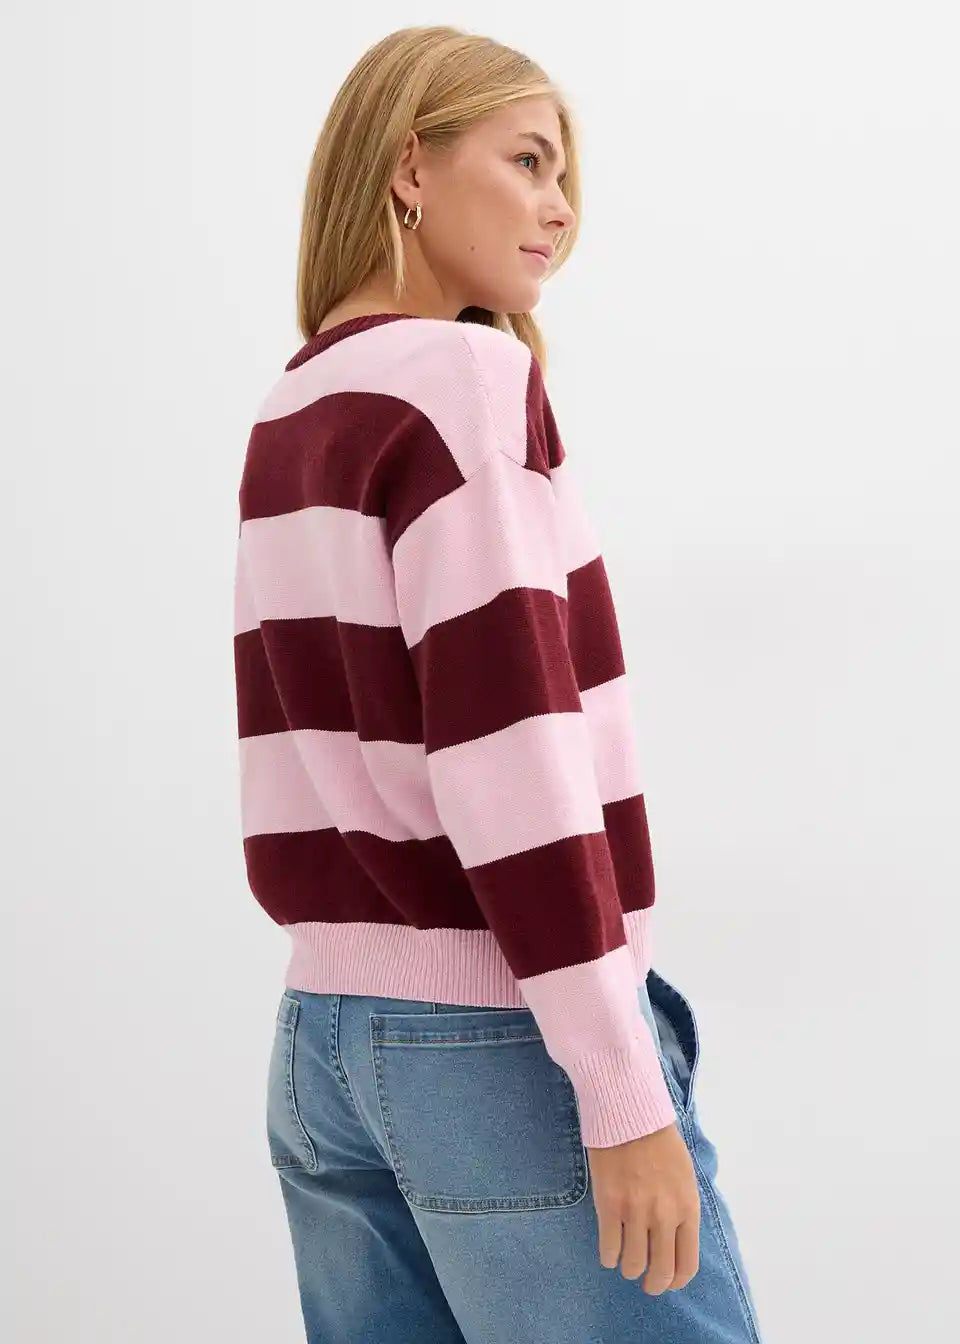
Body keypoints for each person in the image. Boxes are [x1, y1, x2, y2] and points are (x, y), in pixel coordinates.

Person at [233, 23, 764, 1343]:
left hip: (324, 1048)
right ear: (410, 166)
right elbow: (509, 750)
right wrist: (618, 1086)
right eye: (527, 161)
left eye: (564, 174)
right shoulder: (464, 378)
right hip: (497, 1044)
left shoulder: (293, 410)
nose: (560, 206)